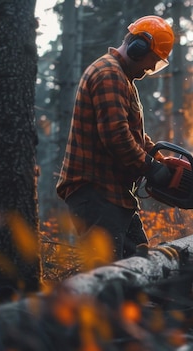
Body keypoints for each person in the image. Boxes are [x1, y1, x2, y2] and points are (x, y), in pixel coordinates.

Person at [56, 15, 175, 261]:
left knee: (139, 266)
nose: (151, 69)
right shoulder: (108, 74)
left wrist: (162, 162)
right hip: (95, 192)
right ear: (138, 47)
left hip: (114, 194)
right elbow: (116, 136)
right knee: (108, 275)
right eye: (152, 61)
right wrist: (151, 168)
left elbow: (133, 135)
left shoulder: (123, 78)